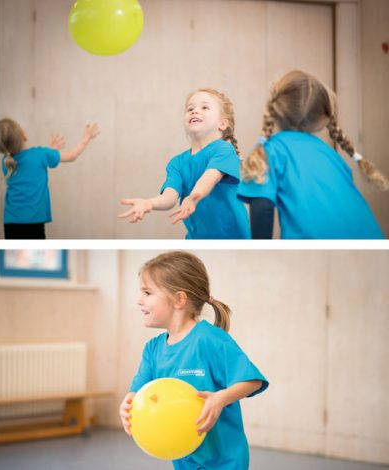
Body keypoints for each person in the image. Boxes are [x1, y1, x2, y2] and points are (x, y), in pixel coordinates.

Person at [119, 251, 268, 469]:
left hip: (224, 460)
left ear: (179, 299)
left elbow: (252, 381)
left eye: (148, 293)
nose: (139, 300)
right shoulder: (152, 349)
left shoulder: (210, 340)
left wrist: (220, 398)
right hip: (184, 458)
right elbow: (138, 392)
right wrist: (127, 404)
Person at [238, 70, 387, 239]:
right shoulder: (331, 155)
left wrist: (259, 251)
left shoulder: (270, 150)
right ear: (321, 117)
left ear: (276, 108)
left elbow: (263, 208)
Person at [118, 89, 250, 239]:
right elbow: (169, 197)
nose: (195, 111)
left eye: (204, 107)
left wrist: (193, 197)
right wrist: (149, 203)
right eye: (190, 108)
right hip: (196, 237)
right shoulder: (177, 163)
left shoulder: (224, 150)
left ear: (222, 123)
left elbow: (210, 177)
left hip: (231, 236)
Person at [0, 117, 100, 239]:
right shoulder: (41, 154)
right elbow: (72, 156)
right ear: (23, 135)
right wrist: (87, 137)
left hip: (11, 222)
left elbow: (29, 167)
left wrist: (51, 151)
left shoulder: (6, 161)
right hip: (33, 222)